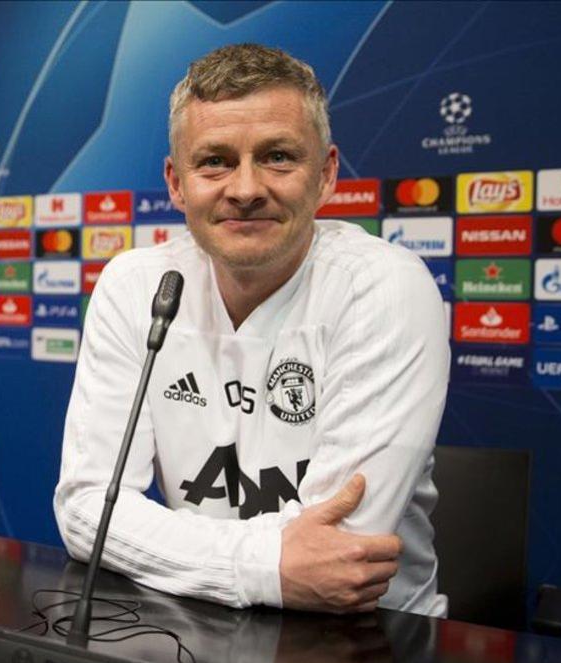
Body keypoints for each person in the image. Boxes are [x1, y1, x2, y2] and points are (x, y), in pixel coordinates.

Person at [54, 44, 448, 616]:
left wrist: (174, 549)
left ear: (327, 174)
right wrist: (264, 567)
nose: (244, 189)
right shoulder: (137, 285)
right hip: (196, 622)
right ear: (176, 182)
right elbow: (88, 510)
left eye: (278, 157)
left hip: (373, 641)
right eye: (214, 160)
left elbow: (342, 553)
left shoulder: (385, 287)